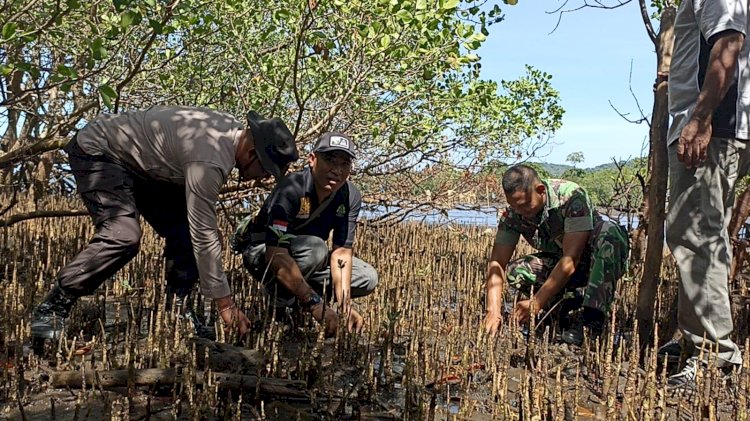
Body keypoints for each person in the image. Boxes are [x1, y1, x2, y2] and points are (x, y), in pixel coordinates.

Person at [30, 106, 299, 341]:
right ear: (251, 153)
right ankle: (54, 305)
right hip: (99, 152)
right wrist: (225, 304)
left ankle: (176, 309)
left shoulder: (229, 134)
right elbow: (203, 233)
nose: (260, 179)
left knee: (184, 232)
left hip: (148, 166)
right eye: (264, 171)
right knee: (122, 235)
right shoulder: (209, 159)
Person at [663, 0, 749, 388]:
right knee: (702, 235)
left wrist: (700, 119)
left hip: (715, 129)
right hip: (722, 127)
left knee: (693, 233)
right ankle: (694, 338)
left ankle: (715, 355)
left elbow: (729, 42)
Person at [232, 132, 378, 337]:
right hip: (264, 252)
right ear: (312, 160)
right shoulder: (291, 188)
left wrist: (345, 307)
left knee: (367, 277)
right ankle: (279, 305)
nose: (336, 170)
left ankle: (298, 297)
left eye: (344, 163)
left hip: (304, 256)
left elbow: (342, 254)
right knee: (316, 249)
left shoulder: (349, 195)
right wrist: (313, 303)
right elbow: (277, 255)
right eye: (329, 159)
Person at [482, 165, 629, 346]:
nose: (520, 212)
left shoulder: (572, 197)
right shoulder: (514, 212)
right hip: (559, 265)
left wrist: (536, 302)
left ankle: (592, 321)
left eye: (525, 205)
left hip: (594, 263)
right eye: (514, 206)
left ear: (541, 190)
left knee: (610, 232)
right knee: (516, 271)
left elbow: (571, 259)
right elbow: (497, 262)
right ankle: (559, 309)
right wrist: (493, 310)